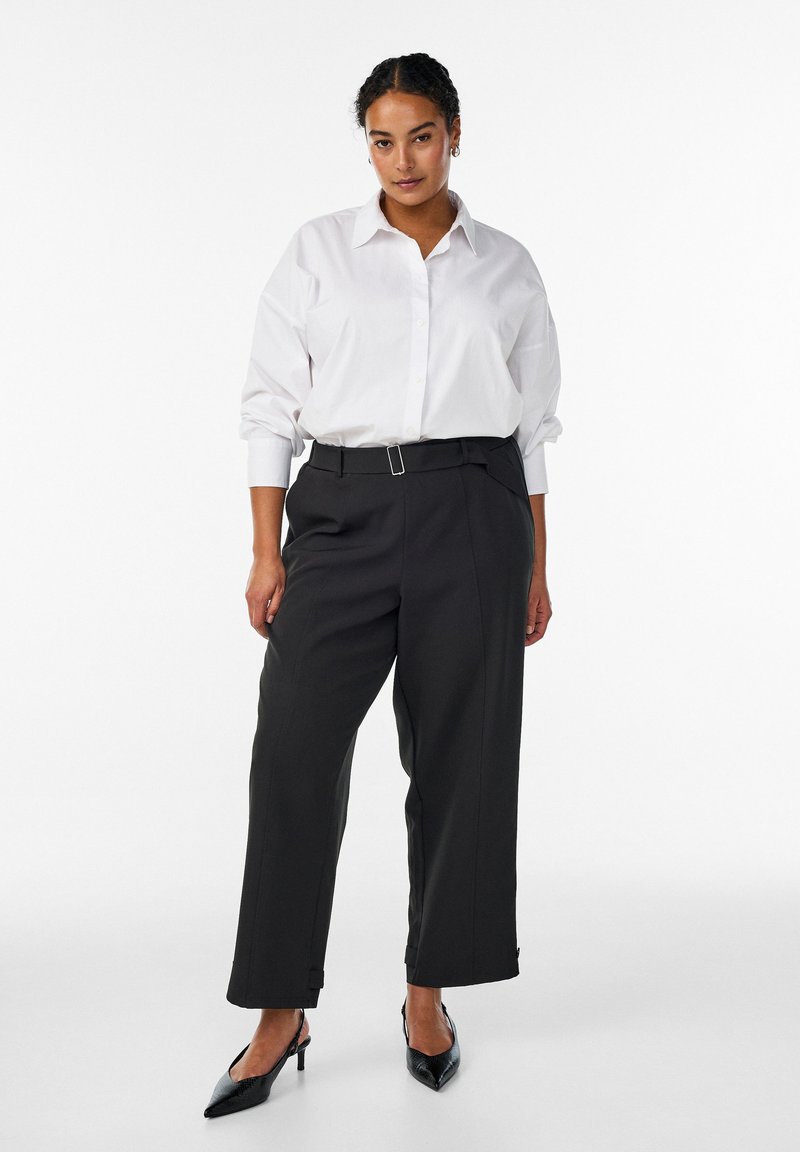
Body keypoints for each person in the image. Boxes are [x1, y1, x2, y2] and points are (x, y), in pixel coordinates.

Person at [204, 51, 563, 1118]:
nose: (402, 159)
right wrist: (267, 550)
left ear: (453, 135)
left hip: (474, 514)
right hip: (341, 515)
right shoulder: (318, 252)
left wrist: (537, 564)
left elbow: (532, 431)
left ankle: (426, 992)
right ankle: (280, 1012)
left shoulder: (506, 267)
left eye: (421, 136)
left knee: (461, 760)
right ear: (364, 143)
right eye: (381, 139)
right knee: (292, 755)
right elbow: (268, 406)